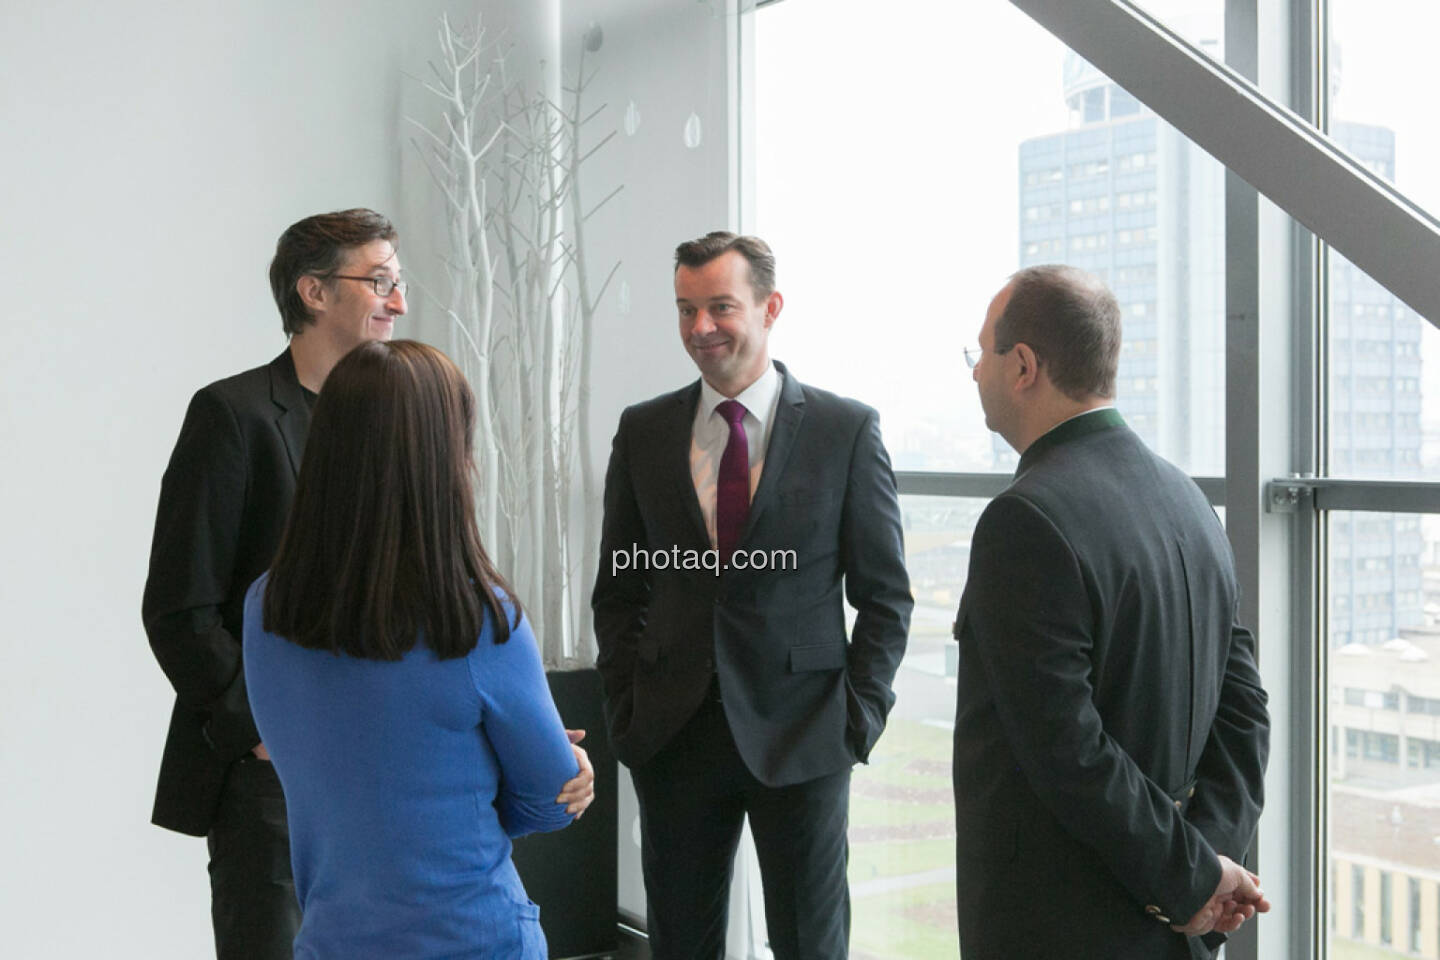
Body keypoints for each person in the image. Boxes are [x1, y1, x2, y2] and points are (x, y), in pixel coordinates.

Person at [141, 209, 592, 958]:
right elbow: (180, 606)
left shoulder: (396, 417)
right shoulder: (234, 416)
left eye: (399, 282)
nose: (399, 300)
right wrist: (265, 731)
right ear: (313, 292)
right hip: (272, 780)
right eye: (379, 280)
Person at [592, 231, 912, 959]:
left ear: (770, 307)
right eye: (685, 309)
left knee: (810, 942)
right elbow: (619, 588)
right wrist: (626, 703)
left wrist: (857, 721)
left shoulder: (845, 430)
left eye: (719, 308)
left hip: (805, 734)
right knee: (682, 942)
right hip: (672, 733)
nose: (700, 328)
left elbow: (886, 597)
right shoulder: (643, 431)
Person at [951, 264, 1271, 958]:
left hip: (1060, 926)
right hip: (1172, 928)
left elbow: (1067, 749)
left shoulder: (1023, 520)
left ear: (1024, 366)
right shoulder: (1188, 500)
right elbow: (1244, 709)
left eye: (982, 353)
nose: (975, 371)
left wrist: (1194, 878)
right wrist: (1205, 866)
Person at [242, 339, 578, 958]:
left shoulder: (267, 608)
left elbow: (337, 766)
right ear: (446, 457)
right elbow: (547, 800)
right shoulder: (476, 616)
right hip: (472, 939)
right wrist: (566, 772)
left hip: (333, 940)